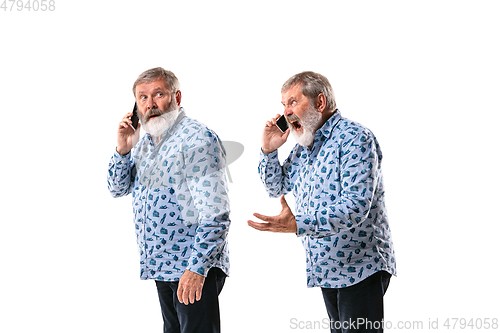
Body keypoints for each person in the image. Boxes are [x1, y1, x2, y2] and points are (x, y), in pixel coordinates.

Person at [248, 71, 396, 333]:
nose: (286, 112)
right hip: (327, 266)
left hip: (359, 265)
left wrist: (298, 223)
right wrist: (269, 151)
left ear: (320, 103)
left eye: (293, 102)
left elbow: (356, 207)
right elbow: (276, 187)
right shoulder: (304, 146)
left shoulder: (355, 138)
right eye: (283, 105)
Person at [107, 67, 230, 333]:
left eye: (158, 94)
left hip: (193, 266)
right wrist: (122, 149)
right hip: (162, 266)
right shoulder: (143, 142)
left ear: (177, 97)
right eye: (142, 98)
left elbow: (216, 214)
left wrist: (197, 269)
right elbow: (117, 189)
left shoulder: (197, 138)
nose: (150, 104)